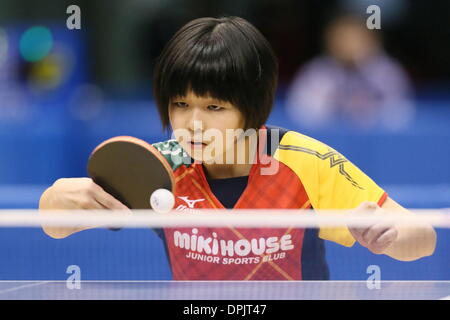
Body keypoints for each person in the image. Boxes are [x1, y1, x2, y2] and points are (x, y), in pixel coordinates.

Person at [39, 16, 436, 280]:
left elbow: (423, 239)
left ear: (253, 109)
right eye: (181, 105)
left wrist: (390, 235)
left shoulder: (304, 162)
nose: (193, 124)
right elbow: (53, 226)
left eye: (214, 107)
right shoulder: (158, 167)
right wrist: (57, 200)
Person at [285, 15, 415, 131]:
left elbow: (401, 114)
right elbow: (301, 113)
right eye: (343, 39)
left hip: (379, 144)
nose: (349, 45)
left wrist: (366, 114)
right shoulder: (316, 73)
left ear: (372, 41)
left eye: (356, 39)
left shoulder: (387, 71)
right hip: (329, 143)